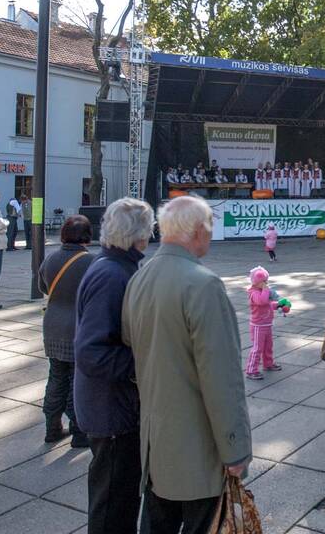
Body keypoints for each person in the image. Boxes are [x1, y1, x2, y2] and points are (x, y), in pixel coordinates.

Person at [124, 196, 252, 533]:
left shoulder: (140, 277)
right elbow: (222, 379)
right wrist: (236, 449)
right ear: (197, 231)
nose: (210, 233)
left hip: (155, 444)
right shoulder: (204, 284)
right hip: (196, 449)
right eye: (209, 226)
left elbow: (130, 341)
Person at [75, 197, 154, 534]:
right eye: (149, 231)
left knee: (119, 503)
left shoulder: (114, 266)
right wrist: (145, 364)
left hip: (111, 409)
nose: (151, 237)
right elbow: (91, 352)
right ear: (137, 235)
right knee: (113, 510)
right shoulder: (112, 274)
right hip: (112, 414)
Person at [38, 215, 94, 447]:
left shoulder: (50, 259)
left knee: (55, 377)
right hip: (78, 328)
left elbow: (43, 286)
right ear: (87, 236)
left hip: (52, 326)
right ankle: (78, 430)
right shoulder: (90, 262)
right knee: (76, 382)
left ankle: (52, 426)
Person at [244, 266, 283, 380]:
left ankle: (268, 363)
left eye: (267, 281)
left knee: (268, 346)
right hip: (258, 325)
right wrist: (266, 290)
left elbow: (268, 304)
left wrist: (279, 304)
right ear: (256, 282)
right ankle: (251, 370)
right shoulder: (253, 293)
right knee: (257, 348)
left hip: (267, 324)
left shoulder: (262, 291)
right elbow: (262, 301)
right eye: (264, 282)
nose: (266, 284)